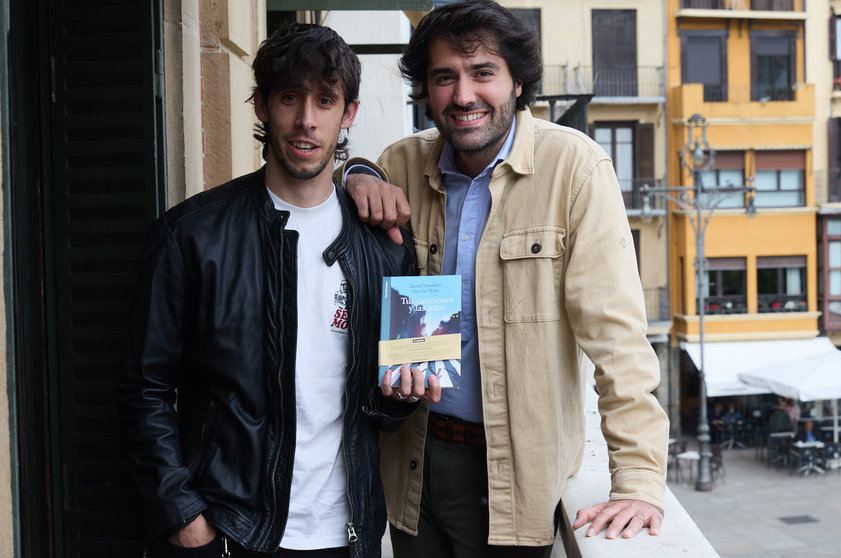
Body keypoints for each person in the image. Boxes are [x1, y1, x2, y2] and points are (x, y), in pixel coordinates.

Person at [343, 1, 669, 555]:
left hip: (519, 474)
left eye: (483, 73)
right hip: (412, 466)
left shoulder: (576, 169)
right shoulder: (398, 164)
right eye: (444, 77)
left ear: (519, 82)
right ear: (426, 89)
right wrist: (351, 173)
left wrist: (637, 482)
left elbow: (618, 339)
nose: (463, 95)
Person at [119, 23, 419, 558]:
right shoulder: (191, 236)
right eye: (289, 97)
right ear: (261, 106)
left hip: (350, 534)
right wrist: (182, 514)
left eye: (324, 100)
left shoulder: (384, 243)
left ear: (348, 113)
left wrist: (399, 398)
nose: (306, 120)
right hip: (230, 530)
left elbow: (380, 405)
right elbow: (144, 388)